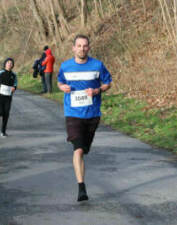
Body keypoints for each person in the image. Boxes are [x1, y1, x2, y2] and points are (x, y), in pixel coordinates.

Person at [57, 34, 112, 201]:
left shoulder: (97, 65)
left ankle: (82, 158)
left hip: (92, 113)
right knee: (78, 149)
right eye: (79, 45)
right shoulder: (66, 66)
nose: (82, 48)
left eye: (85, 45)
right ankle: (81, 187)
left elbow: (108, 82)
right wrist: (63, 87)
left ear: (89, 48)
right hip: (73, 113)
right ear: (73, 48)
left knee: (85, 148)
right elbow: (59, 82)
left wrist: (97, 91)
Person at [0, 58, 18, 137]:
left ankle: (3, 131)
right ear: (5, 64)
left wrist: (14, 87)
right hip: (0, 95)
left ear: (12, 65)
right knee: (0, 112)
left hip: (8, 96)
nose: (9, 64)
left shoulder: (13, 75)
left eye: (11, 63)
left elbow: (15, 83)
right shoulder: (0, 73)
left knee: (6, 114)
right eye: (8, 63)